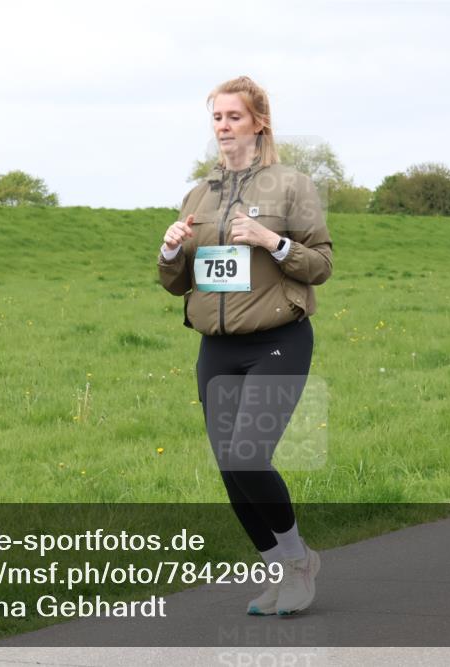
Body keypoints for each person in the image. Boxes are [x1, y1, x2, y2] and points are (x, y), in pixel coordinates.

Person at [157, 76, 333, 615]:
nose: (223, 127)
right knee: (230, 470)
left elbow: (321, 264)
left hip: (278, 340)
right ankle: (279, 570)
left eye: (234, 117)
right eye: (216, 118)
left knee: (249, 455)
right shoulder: (197, 193)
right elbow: (178, 283)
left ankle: (301, 560)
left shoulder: (291, 185)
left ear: (258, 122)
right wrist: (169, 252)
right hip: (217, 349)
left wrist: (272, 242)